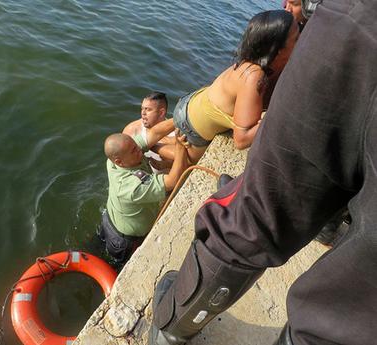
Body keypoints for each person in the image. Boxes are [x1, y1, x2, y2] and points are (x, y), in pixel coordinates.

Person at [149, 1, 377, 345]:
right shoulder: (253, 76)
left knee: (256, 213)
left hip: (363, 30)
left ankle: (172, 327)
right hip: (193, 120)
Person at [174, 10, 299, 164]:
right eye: (297, 38)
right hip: (191, 126)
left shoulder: (256, 61)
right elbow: (241, 140)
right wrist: (275, 117)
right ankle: (157, 148)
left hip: (192, 103)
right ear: (279, 51)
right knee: (183, 162)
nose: (302, 40)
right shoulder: (254, 76)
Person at [100, 119, 188, 263]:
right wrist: (180, 148)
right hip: (122, 242)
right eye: (134, 150)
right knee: (115, 266)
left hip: (109, 219)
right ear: (119, 161)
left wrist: (181, 118)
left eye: (135, 145)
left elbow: (154, 133)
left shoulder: (115, 159)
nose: (139, 149)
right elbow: (173, 180)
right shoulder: (131, 187)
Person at [123, 92, 175, 171]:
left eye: (148, 109)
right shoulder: (132, 130)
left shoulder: (175, 134)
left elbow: (184, 160)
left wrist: (166, 165)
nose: (143, 113)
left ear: (161, 113)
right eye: (142, 108)